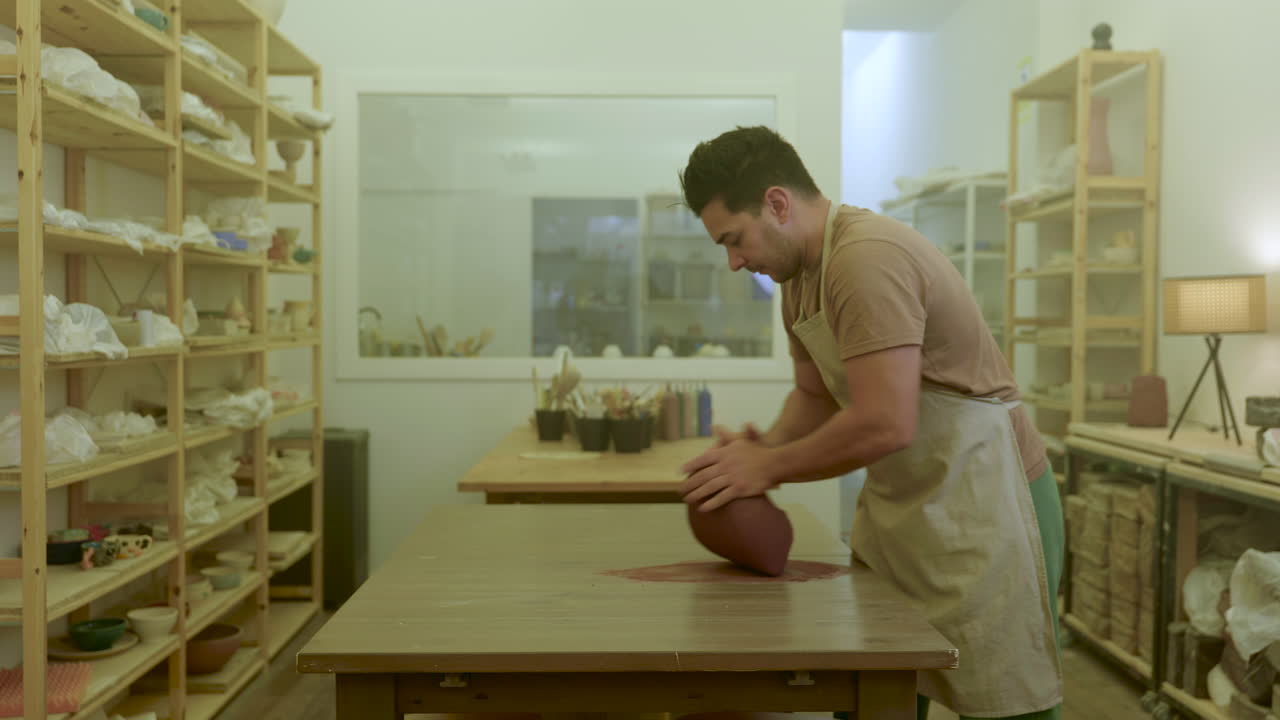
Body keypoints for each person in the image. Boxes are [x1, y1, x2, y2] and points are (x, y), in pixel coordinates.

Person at [676, 125, 1065, 720]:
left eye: (734, 239)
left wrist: (770, 467)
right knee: (877, 694)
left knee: (1007, 698)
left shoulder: (865, 259)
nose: (734, 262)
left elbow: (885, 423)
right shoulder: (795, 278)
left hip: (989, 502)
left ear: (777, 204)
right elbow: (815, 394)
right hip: (908, 506)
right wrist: (760, 449)